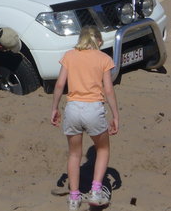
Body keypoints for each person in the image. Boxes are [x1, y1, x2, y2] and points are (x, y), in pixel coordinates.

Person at [50, 25, 119, 210]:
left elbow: (59, 85)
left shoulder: (69, 56)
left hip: (72, 108)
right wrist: (115, 115)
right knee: (103, 149)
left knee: (74, 154)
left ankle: (74, 198)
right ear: (97, 41)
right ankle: (96, 191)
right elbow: (108, 89)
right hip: (94, 108)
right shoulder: (104, 58)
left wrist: (55, 108)